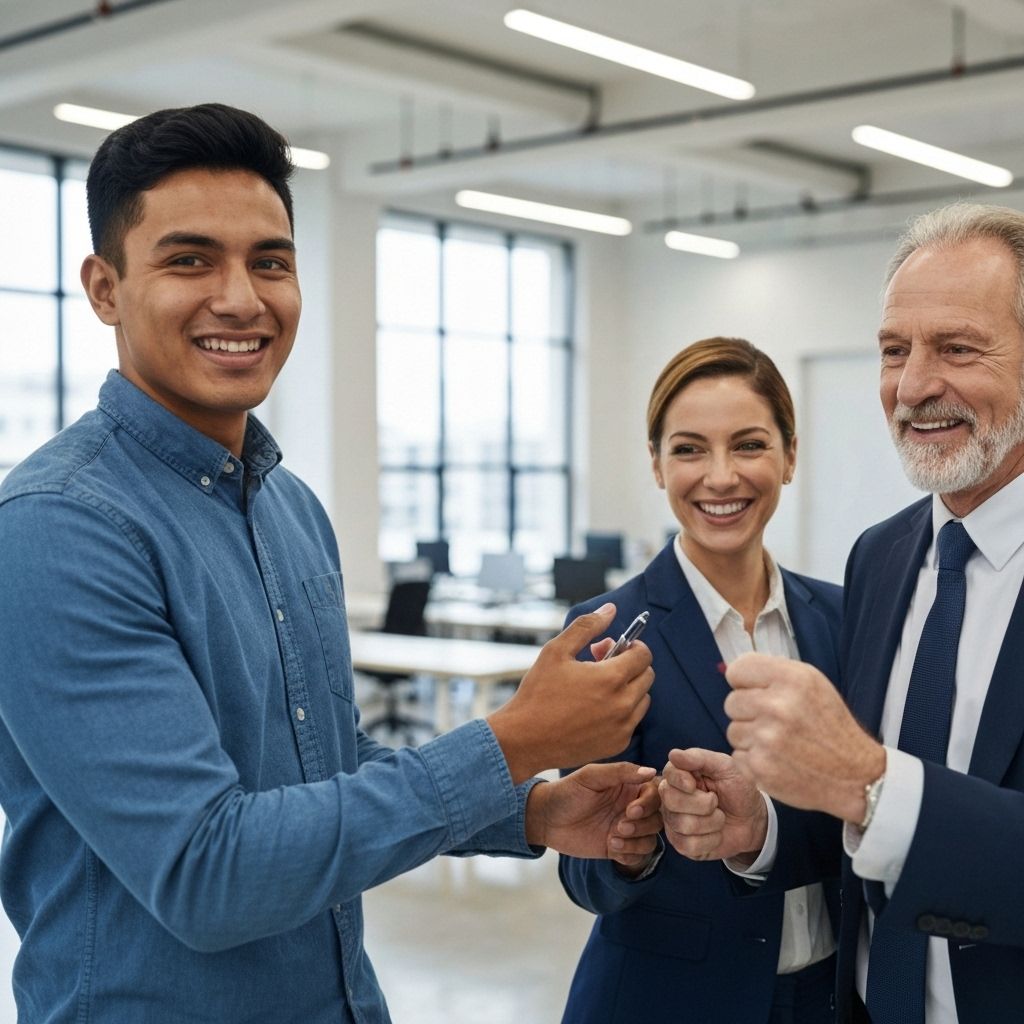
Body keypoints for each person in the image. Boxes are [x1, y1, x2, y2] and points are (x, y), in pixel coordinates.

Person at [0, 103, 661, 1023]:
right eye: (190, 260)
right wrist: (515, 741)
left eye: (270, 261)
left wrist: (530, 809)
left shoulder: (289, 508)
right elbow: (205, 873)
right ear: (105, 288)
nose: (241, 298)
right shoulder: (56, 529)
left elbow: (320, 763)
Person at [662, 202, 1024, 1024]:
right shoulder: (882, 556)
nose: (913, 385)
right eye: (894, 351)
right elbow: (874, 829)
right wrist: (763, 823)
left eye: (957, 349)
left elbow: (881, 795)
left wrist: (865, 779)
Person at [558, 337, 842, 1024]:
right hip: (669, 1002)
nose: (721, 477)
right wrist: (626, 852)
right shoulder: (607, 630)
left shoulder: (845, 617)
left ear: (790, 456)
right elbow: (581, 869)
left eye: (749, 445)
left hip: (831, 998)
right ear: (656, 464)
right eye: (688, 450)